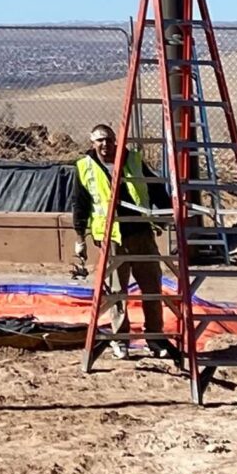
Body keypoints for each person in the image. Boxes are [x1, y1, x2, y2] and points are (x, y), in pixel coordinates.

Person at [73, 122, 173, 360]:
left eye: (108, 139)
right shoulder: (84, 168)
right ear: (92, 143)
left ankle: (155, 338)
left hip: (141, 234)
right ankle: (121, 340)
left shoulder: (133, 160)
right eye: (100, 140)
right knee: (117, 292)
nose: (105, 144)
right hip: (112, 239)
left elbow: (156, 188)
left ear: (115, 140)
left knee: (152, 288)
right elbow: (80, 204)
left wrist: (166, 215)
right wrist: (80, 238)